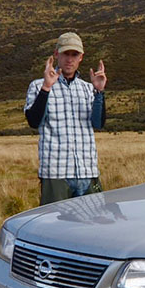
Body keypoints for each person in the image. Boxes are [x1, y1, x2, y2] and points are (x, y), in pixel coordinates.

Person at [25, 32, 108, 205]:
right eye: (65, 54)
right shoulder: (37, 86)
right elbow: (34, 121)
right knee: (53, 228)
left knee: (93, 227)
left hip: (87, 171)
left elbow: (98, 124)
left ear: (81, 58)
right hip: (56, 173)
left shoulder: (88, 88)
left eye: (74, 55)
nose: (69, 59)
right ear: (56, 55)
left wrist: (99, 92)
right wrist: (46, 88)